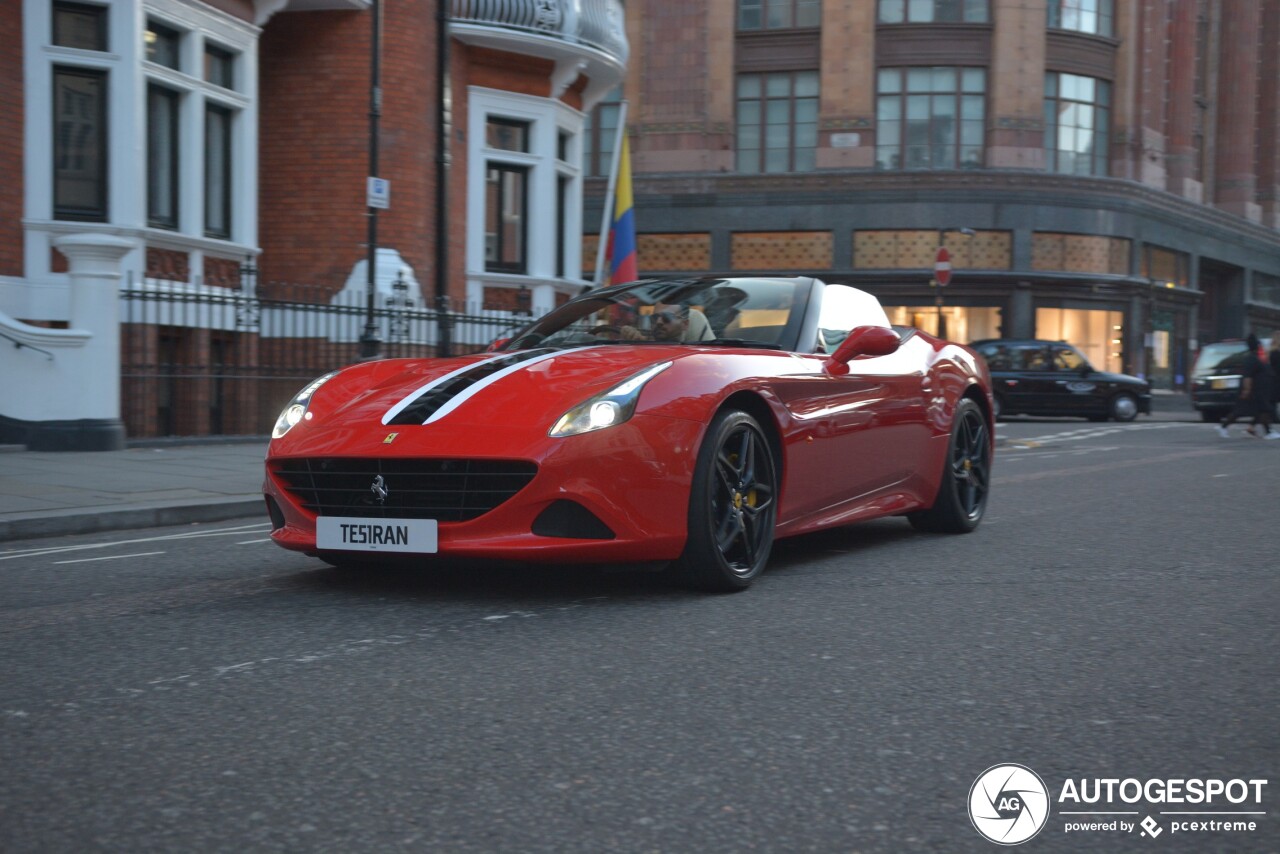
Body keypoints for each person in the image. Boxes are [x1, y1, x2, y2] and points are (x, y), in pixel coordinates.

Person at [1216, 333, 1278, 439]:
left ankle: (1267, 431)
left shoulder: (1255, 358)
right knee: (1240, 412)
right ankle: (1223, 427)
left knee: (1261, 410)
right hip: (1252, 391)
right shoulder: (1251, 359)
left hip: (1257, 391)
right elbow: (1247, 376)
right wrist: (1246, 390)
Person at [620, 303, 715, 343]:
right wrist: (634, 342)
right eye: (655, 317)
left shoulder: (701, 357)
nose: (658, 322)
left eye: (667, 317)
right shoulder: (644, 342)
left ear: (685, 324)